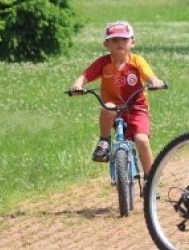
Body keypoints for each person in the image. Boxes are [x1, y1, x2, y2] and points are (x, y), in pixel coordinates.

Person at [70, 21, 165, 177]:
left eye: (124, 39)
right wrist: (78, 85)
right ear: (106, 44)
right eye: (114, 40)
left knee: (141, 140)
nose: (119, 43)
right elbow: (85, 76)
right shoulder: (103, 63)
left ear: (132, 42)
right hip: (114, 108)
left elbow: (149, 76)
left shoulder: (137, 61)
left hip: (136, 107)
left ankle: (151, 180)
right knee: (107, 107)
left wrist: (155, 82)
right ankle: (104, 140)